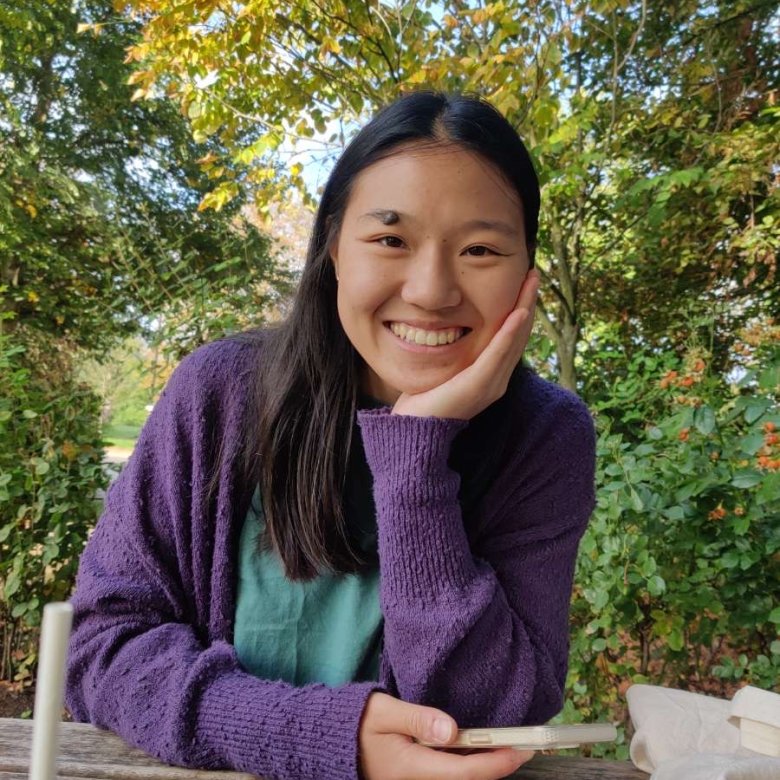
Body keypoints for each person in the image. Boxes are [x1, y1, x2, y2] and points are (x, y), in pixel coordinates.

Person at [65, 90, 596, 780]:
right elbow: (101, 646)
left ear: (526, 274)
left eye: (480, 249)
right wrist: (316, 735)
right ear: (334, 250)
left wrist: (416, 457)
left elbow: (488, 716)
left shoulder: (546, 435)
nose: (432, 289)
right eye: (390, 240)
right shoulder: (221, 392)